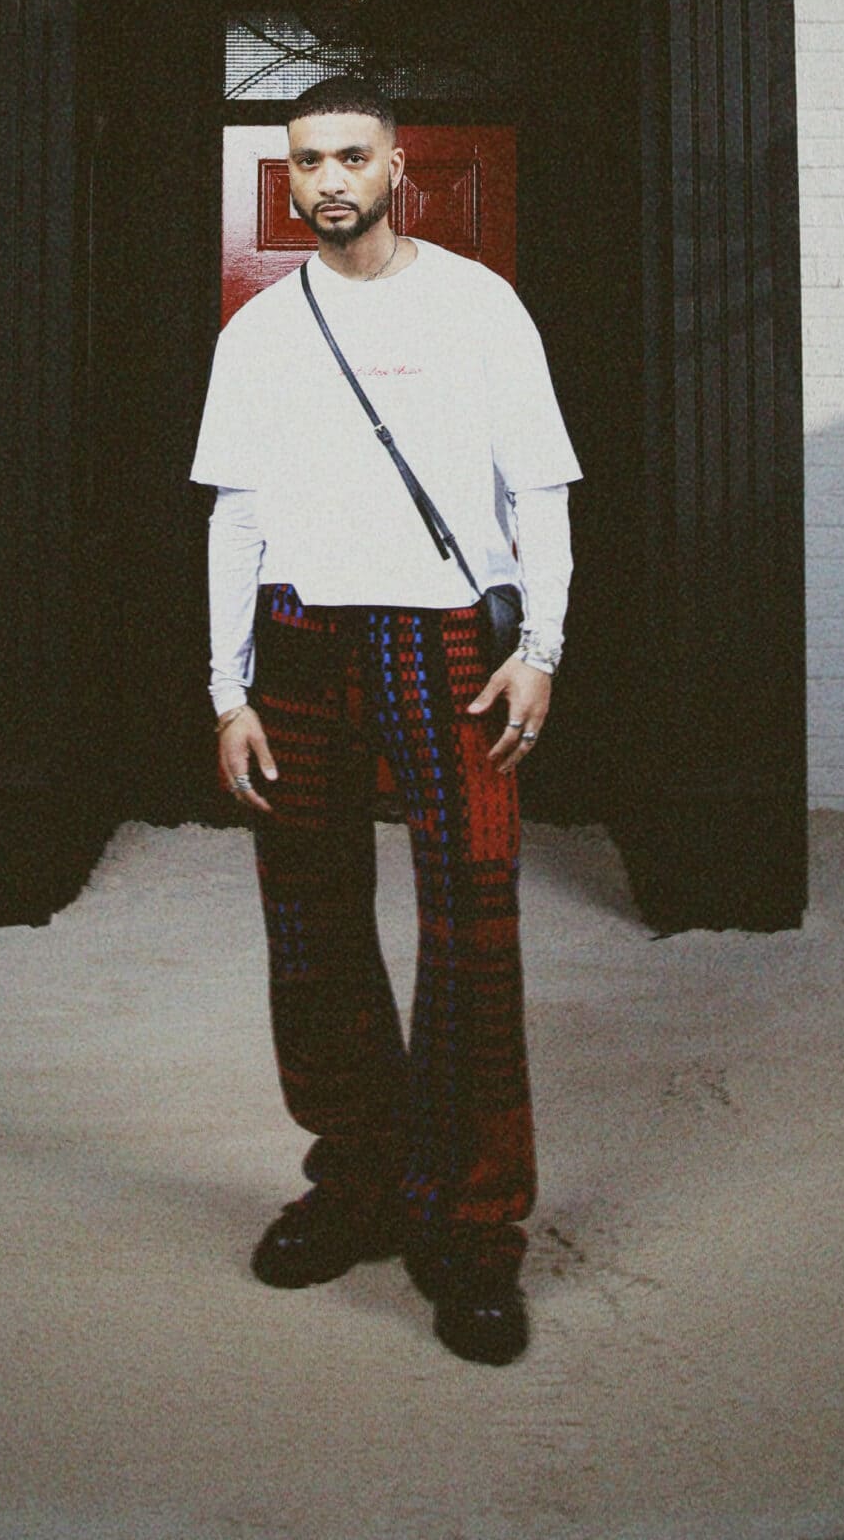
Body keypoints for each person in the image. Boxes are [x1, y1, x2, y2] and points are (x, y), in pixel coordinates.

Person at [190, 78, 579, 1365]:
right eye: (308, 162)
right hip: (302, 634)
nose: (330, 181)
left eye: (352, 156)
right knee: (308, 913)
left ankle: (469, 1223)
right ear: (290, 175)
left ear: (397, 166)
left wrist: (540, 650)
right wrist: (228, 689)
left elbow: (541, 489)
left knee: (473, 914)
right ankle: (357, 1174)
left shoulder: (478, 304)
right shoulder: (261, 329)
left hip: (445, 637)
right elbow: (235, 515)